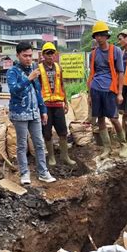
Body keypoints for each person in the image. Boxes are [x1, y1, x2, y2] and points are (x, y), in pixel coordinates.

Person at [6, 42, 56, 185]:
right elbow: (14, 90)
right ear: (18, 55)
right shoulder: (12, 72)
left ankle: (43, 172)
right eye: (25, 56)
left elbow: (38, 91)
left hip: (34, 113)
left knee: (39, 143)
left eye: (30, 55)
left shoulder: (33, 68)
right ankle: (24, 173)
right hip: (20, 113)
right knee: (22, 145)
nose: (28, 59)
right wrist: (29, 79)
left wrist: (43, 110)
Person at [87, 21, 127, 158]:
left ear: (106, 36)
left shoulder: (115, 51)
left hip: (110, 89)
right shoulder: (92, 54)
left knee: (114, 118)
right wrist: (89, 94)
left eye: (101, 35)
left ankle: (123, 145)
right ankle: (107, 147)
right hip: (95, 89)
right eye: (96, 36)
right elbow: (91, 73)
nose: (98, 38)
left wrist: (120, 93)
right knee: (100, 118)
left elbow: (121, 73)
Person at [38, 42, 76, 166]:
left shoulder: (58, 67)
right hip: (45, 106)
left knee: (63, 131)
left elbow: (62, 85)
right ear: (43, 55)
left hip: (58, 104)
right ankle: (51, 157)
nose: (50, 56)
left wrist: (65, 102)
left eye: (52, 53)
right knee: (47, 132)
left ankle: (65, 156)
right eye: (47, 53)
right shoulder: (39, 68)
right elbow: (37, 88)